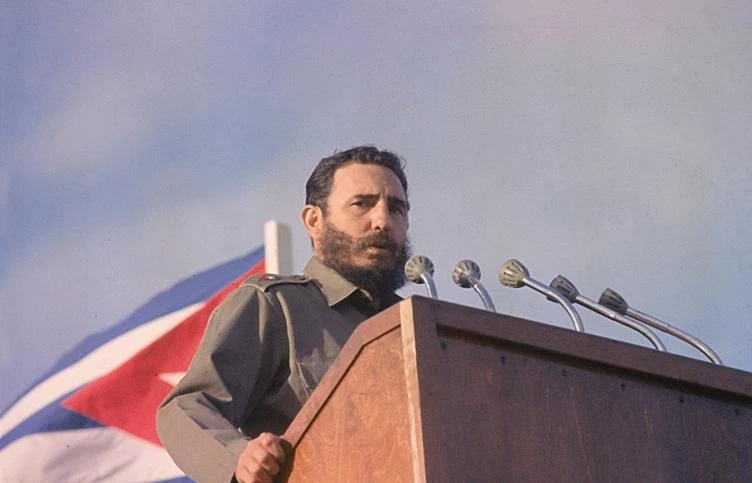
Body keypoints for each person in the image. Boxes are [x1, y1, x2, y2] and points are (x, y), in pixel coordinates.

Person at [157, 145, 412, 483]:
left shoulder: (417, 329)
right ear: (314, 221)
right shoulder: (277, 306)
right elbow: (186, 407)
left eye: (395, 208)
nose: (382, 221)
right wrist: (238, 458)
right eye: (362, 204)